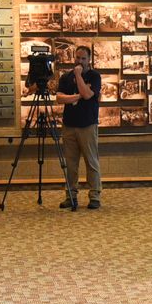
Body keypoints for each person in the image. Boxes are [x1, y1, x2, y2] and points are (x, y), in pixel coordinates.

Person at [57, 45, 102, 209]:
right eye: (77, 58)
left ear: (89, 60)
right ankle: (70, 195)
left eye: (83, 58)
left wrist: (78, 76)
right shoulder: (65, 77)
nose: (80, 61)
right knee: (70, 164)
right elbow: (60, 98)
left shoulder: (94, 76)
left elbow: (89, 94)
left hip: (87, 125)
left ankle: (95, 196)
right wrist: (77, 96)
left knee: (91, 162)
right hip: (69, 126)